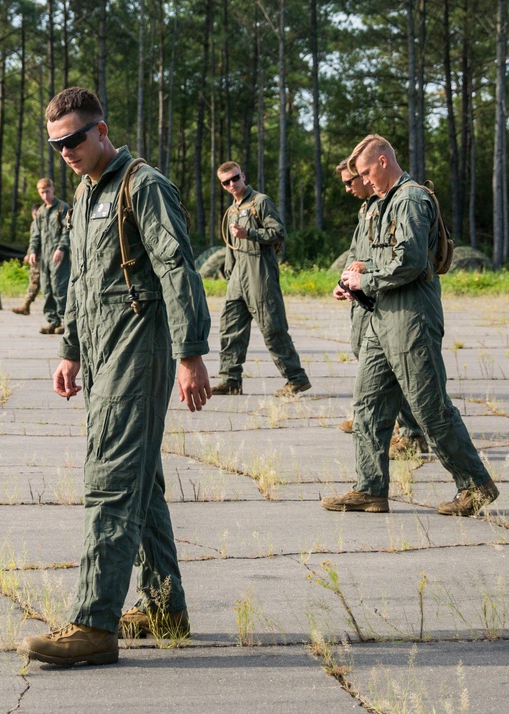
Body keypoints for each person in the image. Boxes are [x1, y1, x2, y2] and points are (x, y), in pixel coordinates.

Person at [16, 87, 211, 667]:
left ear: (102, 130)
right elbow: (80, 279)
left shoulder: (141, 185)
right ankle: (163, 607)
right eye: (56, 144)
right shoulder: (84, 192)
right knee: (141, 479)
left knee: (111, 478)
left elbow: (177, 264)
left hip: (140, 345)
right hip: (100, 351)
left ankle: (93, 624)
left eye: (74, 138)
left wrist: (190, 351)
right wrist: (70, 349)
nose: (66, 151)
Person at [321, 134, 498, 516]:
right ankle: (370, 489)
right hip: (379, 317)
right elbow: (368, 256)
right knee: (368, 404)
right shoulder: (377, 205)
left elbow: (412, 261)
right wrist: (349, 281)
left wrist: (365, 281)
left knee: (429, 406)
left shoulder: (411, 199)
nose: (364, 181)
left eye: (367, 172)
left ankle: (476, 484)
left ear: (383, 162)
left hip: (411, 318)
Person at [333, 159, 427, 458]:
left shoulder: (399, 202)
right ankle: (382, 422)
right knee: (364, 353)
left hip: (383, 293)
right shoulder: (368, 209)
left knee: (397, 371)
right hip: (365, 292)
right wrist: (345, 282)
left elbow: (402, 258)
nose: (350, 187)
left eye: (354, 179)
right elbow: (356, 251)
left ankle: (411, 432)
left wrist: (367, 275)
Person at [212, 162, 310, 398]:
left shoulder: (260, 202)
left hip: (260, 273)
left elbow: (279, 233)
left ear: (242, 176)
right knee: (230, 329)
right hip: (238, 277)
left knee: (272, 328)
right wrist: (229, 272)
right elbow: (231, 248)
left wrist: (251, 234)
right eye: (226, 182)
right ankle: (230, 379)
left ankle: (296, 378)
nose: (232, 184)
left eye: (235, 178)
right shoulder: (232, 211)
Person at [27, 178, 71, 334]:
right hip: (44, 257)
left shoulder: (62, 208)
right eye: (42, 192)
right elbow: (36, 234)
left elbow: (68, 230)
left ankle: (65, 321)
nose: (45, 195)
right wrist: (32, 251)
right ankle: (53, 321)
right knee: (47, 289)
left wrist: (61, 248)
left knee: (60, 288)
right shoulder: (40, 211)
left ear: (53, 190)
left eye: (47, 191)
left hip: (59, 255)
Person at [12, 204, 43, 315]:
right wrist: (29, 253)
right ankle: (26, 304)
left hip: (43, 257)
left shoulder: (42, 223)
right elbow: (33, 241)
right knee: (34, 281)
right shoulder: (34, 224)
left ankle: (26, 304)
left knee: (37, 282)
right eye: (35, 214)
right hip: (36, 257)